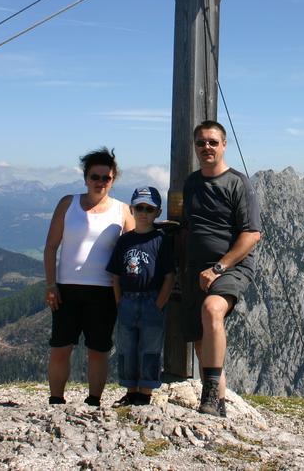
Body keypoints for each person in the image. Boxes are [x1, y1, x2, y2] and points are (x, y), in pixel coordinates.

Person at [181, 120, 261, 417]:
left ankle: (210, 396)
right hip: (194, 269)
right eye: (201, 142)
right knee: (203, 343)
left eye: (213, 142)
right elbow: (188, 226)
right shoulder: (191, 183)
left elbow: (252, 234)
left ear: (223, 145)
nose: (207, 148)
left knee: (213, 310)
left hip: (230, 266)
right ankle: (218, 403)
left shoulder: (237, 183)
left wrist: (218, 267)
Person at [43, 147, 134, 406]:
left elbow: (133, 250)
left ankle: (93, 401)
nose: (100, 182)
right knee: (60, 348)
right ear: (85, 177)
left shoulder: (122, 210)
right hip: (66, 288)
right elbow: (51, 247)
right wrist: (51, 284)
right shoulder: (67, 204)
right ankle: (56, 401)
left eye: (106, 178)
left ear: (113, 179)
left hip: (104, 291)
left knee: (98, 351)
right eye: (95, 177)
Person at [106, 186, 175, 406]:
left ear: (158, 212)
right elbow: (116, 274)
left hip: (151, 300)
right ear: (132, 210)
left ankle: (145, 393)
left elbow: (169, 276)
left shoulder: (161, 240)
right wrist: (119, 301)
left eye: (149, 209)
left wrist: (158, 304)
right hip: (128, 300)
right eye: (139, 208)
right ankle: (130, 391)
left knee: (150, 349)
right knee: (127, 348)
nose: (144, 212)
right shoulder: (124, 241)